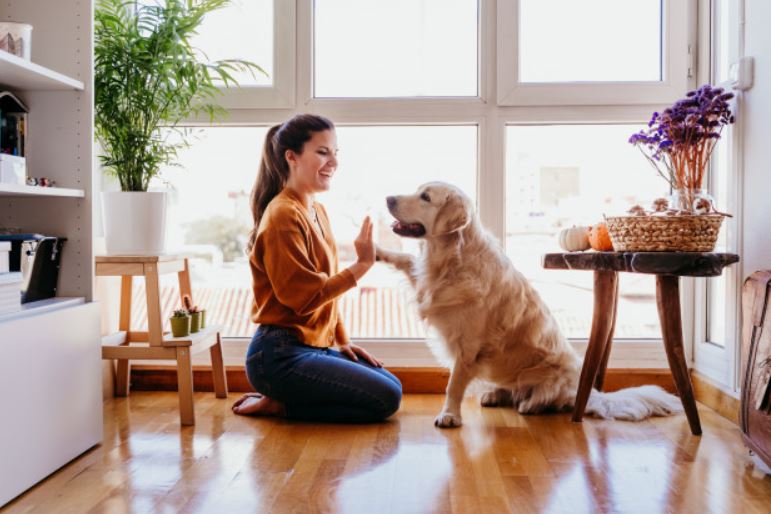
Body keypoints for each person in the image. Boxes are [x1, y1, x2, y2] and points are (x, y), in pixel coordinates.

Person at [232, 114, 402, 422]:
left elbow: (326, 295)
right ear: (292, 157)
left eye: (336, 152)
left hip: (312, 346)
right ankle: (280, 404)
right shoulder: (283, 215)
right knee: (386, 398)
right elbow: (303, 298)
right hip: (277, 355)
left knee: (392, 385)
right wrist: (363, 264)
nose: (333, 162)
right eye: (323, 152)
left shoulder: (316, 210)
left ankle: (284, 400)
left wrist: (342, 340)